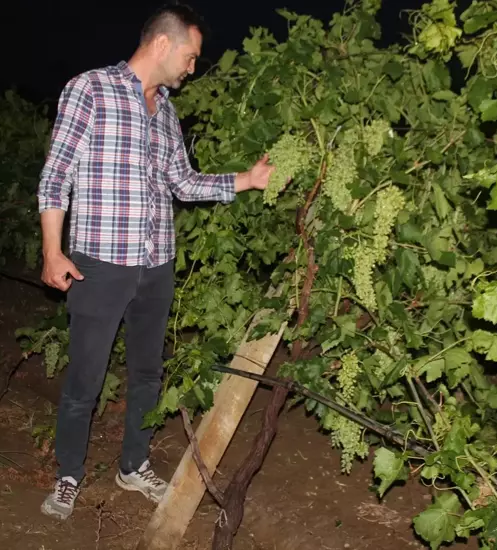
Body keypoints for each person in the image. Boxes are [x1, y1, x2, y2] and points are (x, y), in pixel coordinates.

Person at [37, 4, 274, 521]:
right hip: (97, 265)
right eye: (190, 56)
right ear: (163, 44)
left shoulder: (165, 110)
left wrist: (245, 181)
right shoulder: (91, 89)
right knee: (85, 379)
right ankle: (69, 475)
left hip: (155, 264)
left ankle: (133, 463)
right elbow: (56, 177)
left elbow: (182, 182)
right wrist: (53, 251)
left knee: (147, 374)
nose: (193, 68)